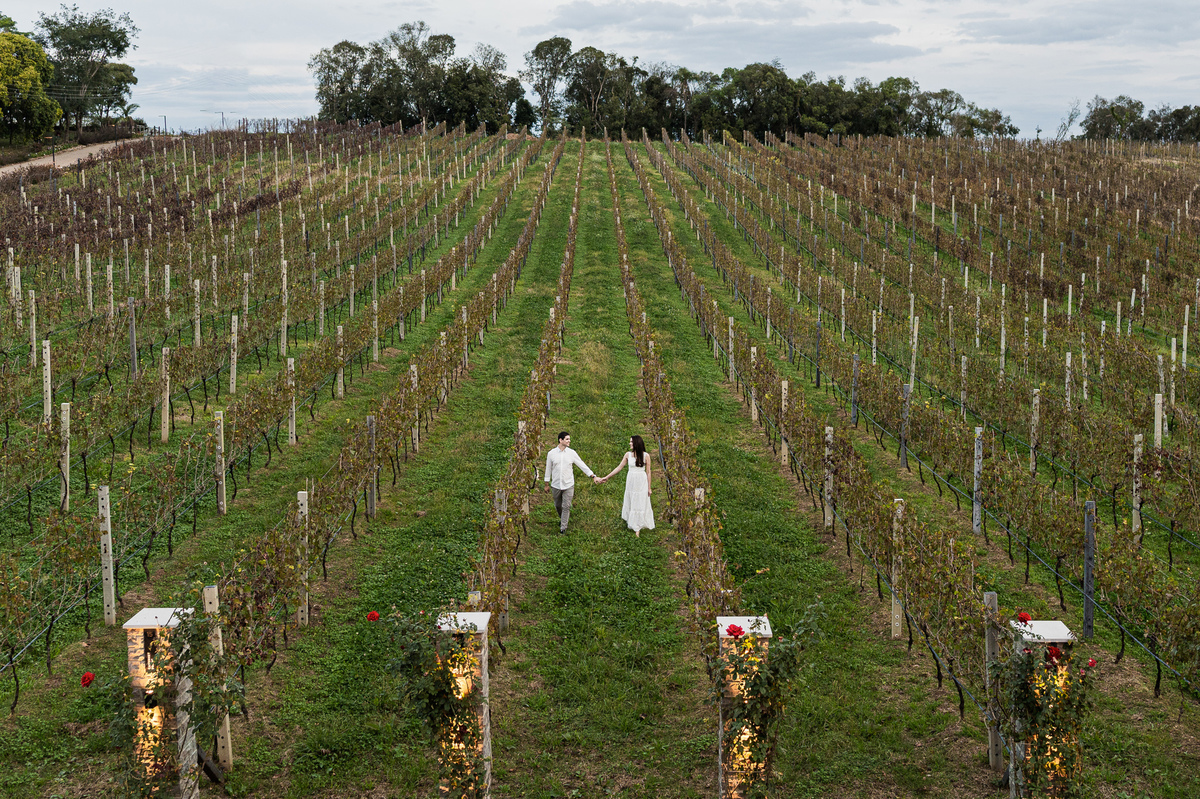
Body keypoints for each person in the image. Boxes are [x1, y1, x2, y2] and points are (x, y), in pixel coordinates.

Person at [599, 435, 655, 536]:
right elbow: (619, 468)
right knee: (632, 499)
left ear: (636, 443)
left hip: (641, 481)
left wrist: (649, 487)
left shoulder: (646, 456)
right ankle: (633, 522)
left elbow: (648, 472)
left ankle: (637, 527)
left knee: (640, 501)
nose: (629, 444)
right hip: (631, 481)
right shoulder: (628, 455)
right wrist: (607, 477)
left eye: (631, 442)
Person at [544, 431, 599, 532]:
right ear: (560, 440)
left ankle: (563, 528)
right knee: (558, 505)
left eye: (569, 439)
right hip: (556, 485)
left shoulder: (571, 453)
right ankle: (562, 519)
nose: (569, 441)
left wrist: (592, 475)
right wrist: (546, 484)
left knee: (566, 506)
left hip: (568, 484)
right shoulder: (551, 454)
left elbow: (581, 464)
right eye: (567, 439)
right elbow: (548, 469)